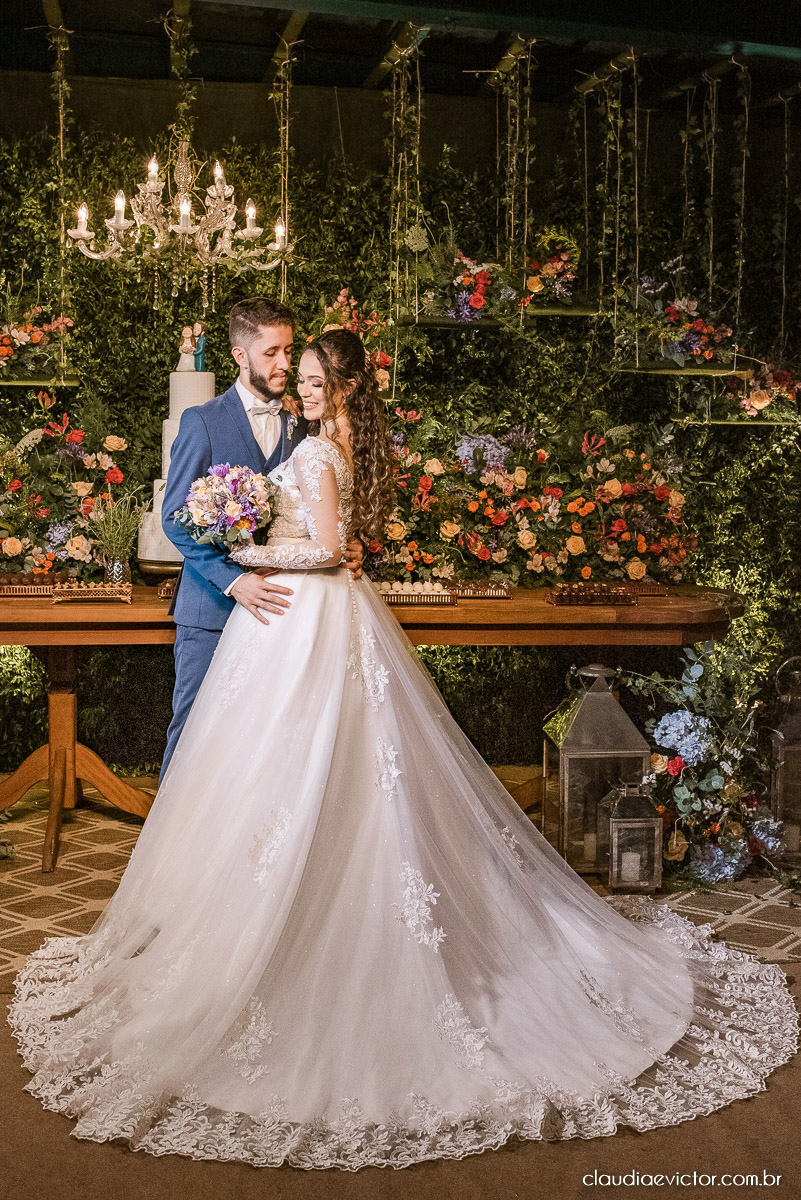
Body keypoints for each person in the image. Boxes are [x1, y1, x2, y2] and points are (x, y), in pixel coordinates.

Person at [9, 330, 797, 1171]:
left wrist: (243, 548)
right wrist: (249, 535)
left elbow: (317, 548)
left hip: (299, 618)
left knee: (314, 770)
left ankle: (299, 943)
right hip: (306, 620)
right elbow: (334, 540)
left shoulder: (317, 451)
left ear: (340, 386)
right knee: (297, 773)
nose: (301, 389)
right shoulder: (333, 443)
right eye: (297, 376)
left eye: (313, 378)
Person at [159, 297, 362, 781]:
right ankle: (169, 854)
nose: (286, 365)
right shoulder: (202, 421)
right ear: (239, 356)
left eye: (289, 351)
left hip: (284, 616)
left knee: (268, 743)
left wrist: (348, 545)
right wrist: (233, 581)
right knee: (193, 732)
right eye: (272, 353)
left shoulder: (304, 421)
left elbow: (319, 511)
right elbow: (174, 518)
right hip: (212, 610)